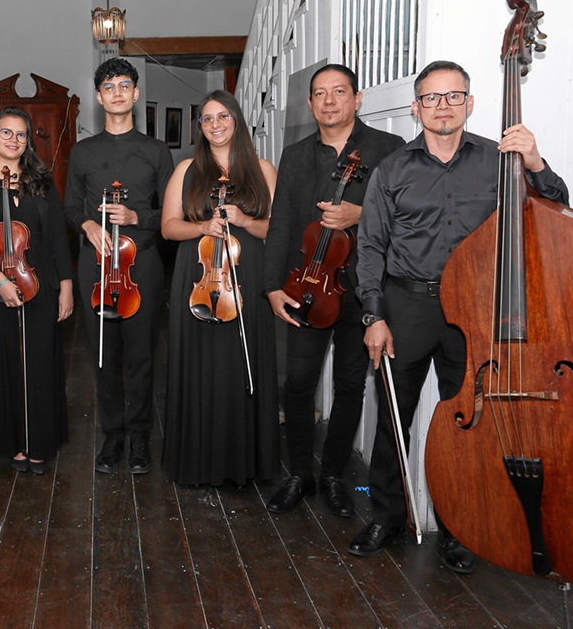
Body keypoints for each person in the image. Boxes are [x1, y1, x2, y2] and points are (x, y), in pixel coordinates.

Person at [351, 60, 569, 573]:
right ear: (416, 107)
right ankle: (386, 516)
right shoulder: (392, 171)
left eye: (454, 97)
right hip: (406, 305)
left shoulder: (501, 160)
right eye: (432, 98)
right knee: (392, 418)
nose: (443, 106)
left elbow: (556, 209)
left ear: (470, 104)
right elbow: (370, 249)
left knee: (467, 426)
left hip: (474, 311)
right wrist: (374, 316)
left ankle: (459, 529)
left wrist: (536, 161)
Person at [262, 64, 405, 517]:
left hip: (364, 291)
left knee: (349, 385)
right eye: (320, 94)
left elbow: (405, 211)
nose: (329, 101)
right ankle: (301, 473)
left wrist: (359, 215)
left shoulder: (388, 148)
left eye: (338, 92)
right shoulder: (295, 154)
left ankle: (335, 476)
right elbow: (282, 222)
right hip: (308, 288)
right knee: (299, 384)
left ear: (357, 98)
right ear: (310, 105)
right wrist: (271, 286)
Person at [160, 90, 279, 486]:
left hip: (245, 279)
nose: (215, 124)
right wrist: (201, 227)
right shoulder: (186, 170)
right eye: (207, 119)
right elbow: (168, 227)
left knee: (239, 368)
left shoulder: (263, 169)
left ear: (237, 120)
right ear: (200, 127)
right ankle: (196, 461)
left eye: (222, 116)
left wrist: (244, 220)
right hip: (198, 280)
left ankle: (244, 463)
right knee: (199, 368)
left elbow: (276, 231)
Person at [64, 58, 174, 474]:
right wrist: (88, 222)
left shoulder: (155, 150)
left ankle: (141, 435)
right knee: (103, 354)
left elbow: (168, 213)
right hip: (94, 265)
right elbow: (70, 207)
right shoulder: (82, 152)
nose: (117, 93)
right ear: (99, 96)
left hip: (141, 263)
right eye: (108, 87)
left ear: (135, 93)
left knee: (142, 353)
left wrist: (137, 218)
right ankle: (113, 435)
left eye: (124, 85)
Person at [0, 107, 73, 473]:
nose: (14, 140)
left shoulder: (41, 181)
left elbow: (57, 236)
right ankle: (12, 444)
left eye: (21, 134)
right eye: (6, 133)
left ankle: (38, 442)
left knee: (40, 364)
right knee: (0, 366)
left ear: (27, 142)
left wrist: (66, 285)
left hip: (40, 282)